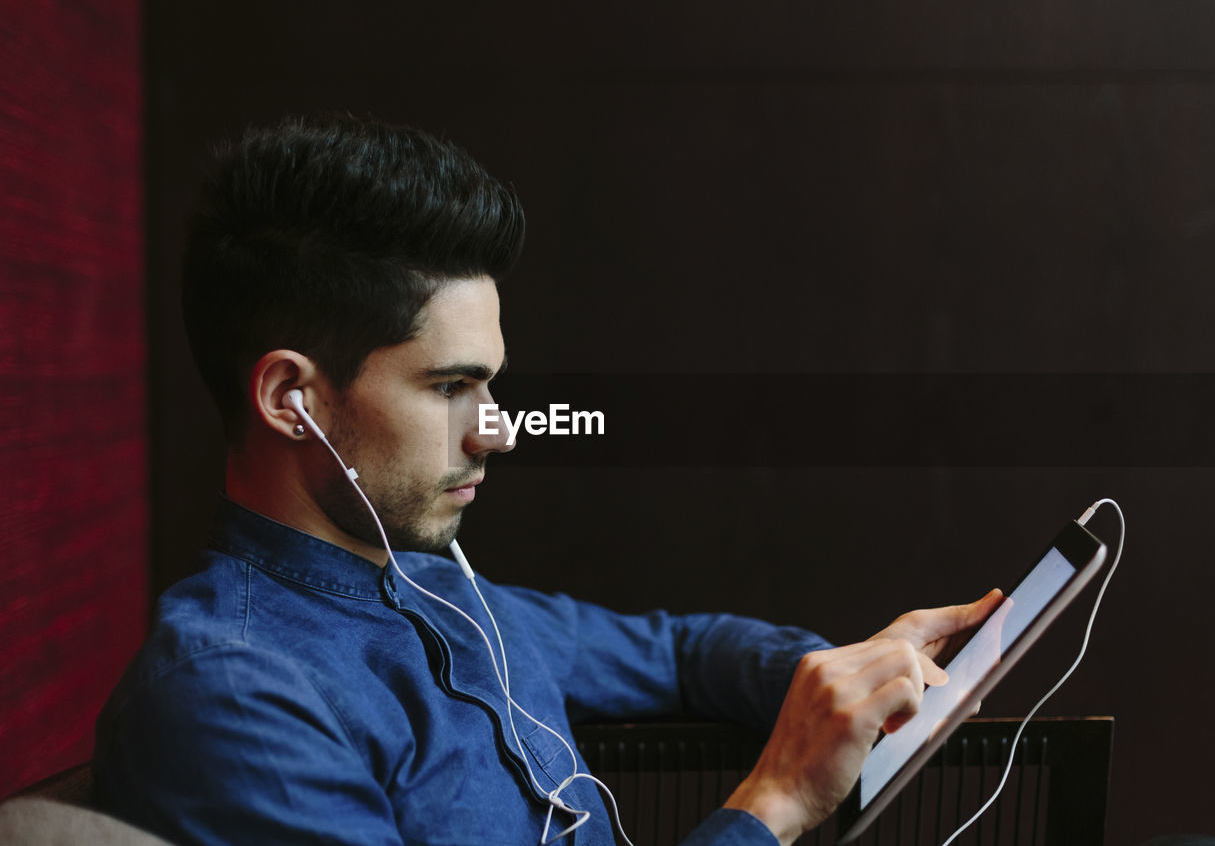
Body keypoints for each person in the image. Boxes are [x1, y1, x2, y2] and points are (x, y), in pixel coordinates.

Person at [93, 113, 1002, 845]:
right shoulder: (230, 696)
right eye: (451, 387)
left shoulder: (437, 590)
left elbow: (679, 650)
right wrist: (775, 803)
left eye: (491, 384)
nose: (496, 431)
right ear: (293, 397)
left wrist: (848, 682)